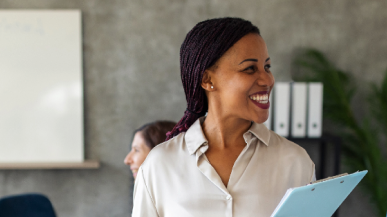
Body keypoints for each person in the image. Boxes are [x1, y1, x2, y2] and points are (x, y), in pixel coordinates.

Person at [131, 17, 314, 217]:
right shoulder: (160, 164)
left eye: (267, 67)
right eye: (250, 69)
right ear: (207, 79)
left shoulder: (295, 162)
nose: (267, 79)